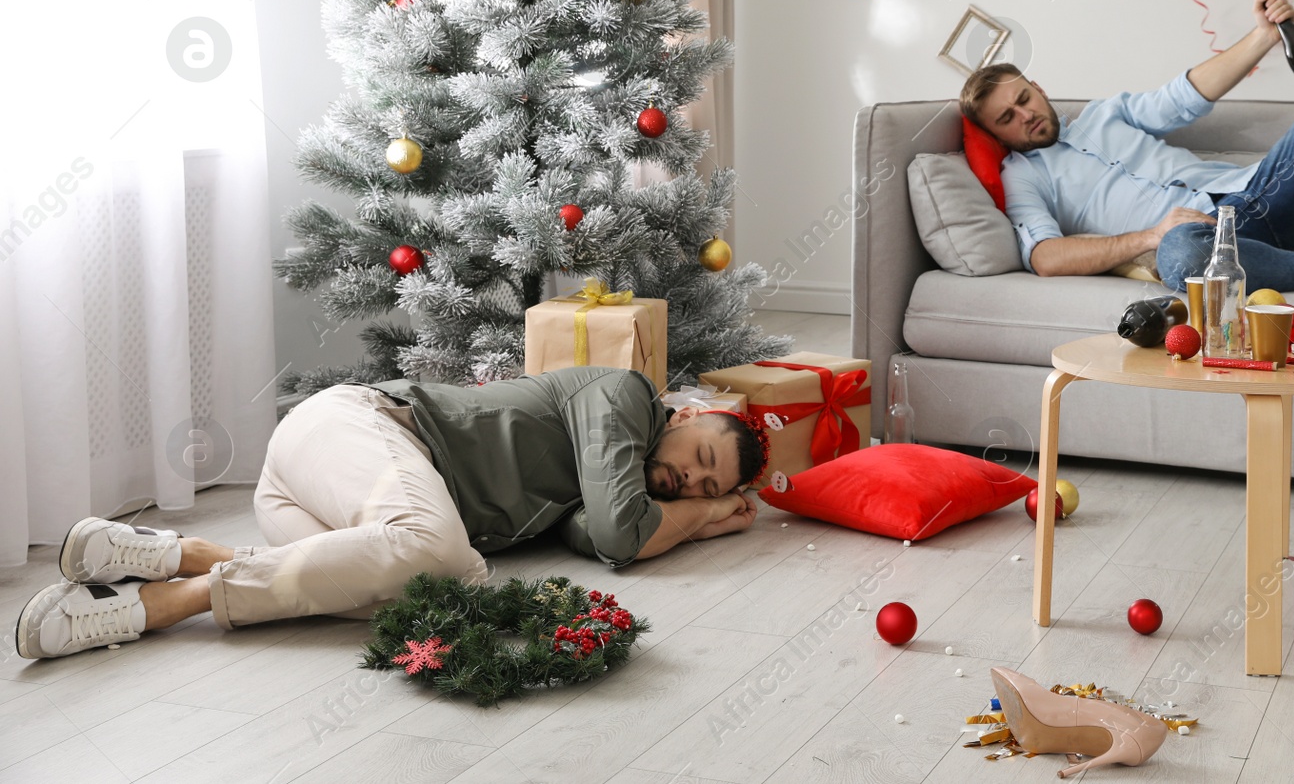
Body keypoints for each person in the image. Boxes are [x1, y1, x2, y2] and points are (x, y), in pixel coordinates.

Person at [16, 366, 768, 659]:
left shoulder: (613, 477)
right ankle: (163, 605)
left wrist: (698, 512)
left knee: (427, 600)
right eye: (700, 458)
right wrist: (711, 516)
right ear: (688, 412)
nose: (686, 482)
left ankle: (174, 555)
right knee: (444, 559)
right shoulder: (625, 396)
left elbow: (601, 537)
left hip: (306, 500)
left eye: (704, 489)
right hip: (354, 430)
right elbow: (620, 531)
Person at [959, 0, 1294, 305]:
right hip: (1207, 243)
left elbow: (1183, 98)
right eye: (1007, 117)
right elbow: (1045, 257)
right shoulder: (1023, 176)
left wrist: (1263, 37)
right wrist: (1150, 235)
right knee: (1179, 255)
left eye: (1024, 99)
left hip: (1263, 192)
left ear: (1039, 88)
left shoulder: (1105, 112)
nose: (1025, 116)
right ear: (995, 133)